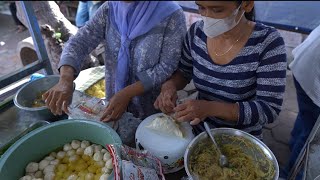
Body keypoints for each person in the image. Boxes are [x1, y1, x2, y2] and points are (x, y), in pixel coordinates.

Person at [154, 1, 287, 140]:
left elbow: (268, 109)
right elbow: (183, 72)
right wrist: (169, 86)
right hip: (198, 130)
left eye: (217, 10)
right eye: (201, 7)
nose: (207, 16)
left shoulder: (267, 43)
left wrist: (209, 108)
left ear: (246, 5)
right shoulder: (197, 33)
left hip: (240, 139)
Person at [43, 2, 186, 122]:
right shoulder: (110, 9)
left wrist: (127, 93)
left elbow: (167, 66)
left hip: (154, 105)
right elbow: (80, 41)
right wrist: (65, 79)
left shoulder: (172, 15)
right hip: (114, 99)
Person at [280, 24, 320, 180]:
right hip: (312, 72)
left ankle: (294, 142)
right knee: (310, 135)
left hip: (305, 61)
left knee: (306, 117)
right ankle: (290, 174)